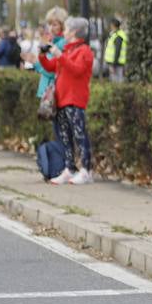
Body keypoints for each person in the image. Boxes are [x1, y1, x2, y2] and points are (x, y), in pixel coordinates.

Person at [38, 17, 96, 185]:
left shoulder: (84, 51)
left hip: (75, 99)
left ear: (74, 32)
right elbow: (51, 66)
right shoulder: (67, 50)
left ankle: (86, 169)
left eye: (67, 29)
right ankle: (69, 168)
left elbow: (77, 70)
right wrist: (42, 55)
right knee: (65, 136)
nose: (64, 32)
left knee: (79, 135)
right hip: (62, 99)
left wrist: (59, 55)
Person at [104, 17, 128, 82]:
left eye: (111, 25)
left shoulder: (118, 36)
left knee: (116, 81)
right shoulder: (114, 34)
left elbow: (117, 51)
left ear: (113, 25)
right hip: (115, 62)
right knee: (115, 80)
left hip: (116, 63)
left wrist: (114, 65)